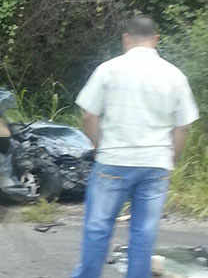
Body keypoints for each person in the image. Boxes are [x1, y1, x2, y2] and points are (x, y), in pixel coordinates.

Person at [71, 15, 199, 278]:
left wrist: (99, 146)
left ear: (126, 39)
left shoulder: (108, 69)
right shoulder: (174, 75)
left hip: (113, 160)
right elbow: (183, 126)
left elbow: (88, 115)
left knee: (98, 227)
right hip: (155, 164)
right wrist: (170, 159)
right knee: (144, 232)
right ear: (156, 39)